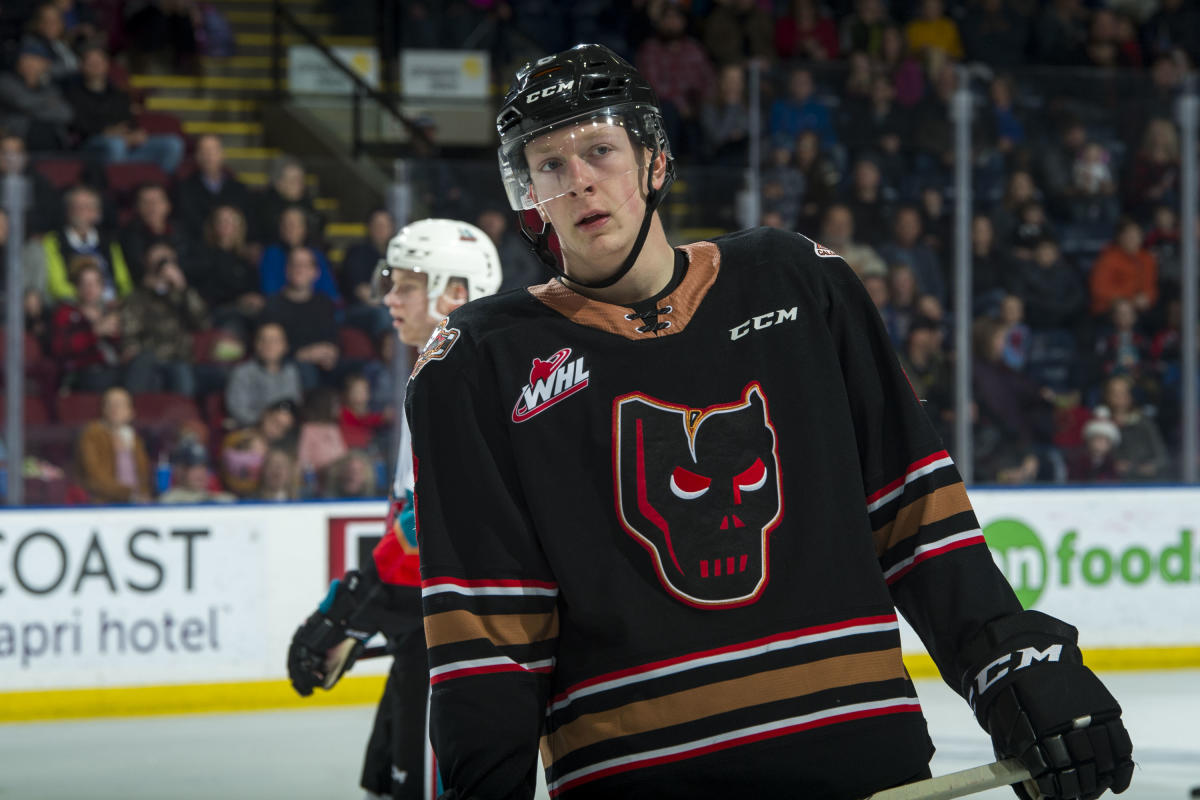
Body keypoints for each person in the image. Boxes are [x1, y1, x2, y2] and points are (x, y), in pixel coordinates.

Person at [405, 44, 1133, 799]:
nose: (580, 178)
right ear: (530, 196)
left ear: (654, 162)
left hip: (860, 762)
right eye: (550, 165)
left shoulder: (797, 281)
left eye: (599, 150)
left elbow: (913, 512)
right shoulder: (478, 365)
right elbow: (488, 634)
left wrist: (1008, 666)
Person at [286, 217, 501, 800]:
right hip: (424, 627)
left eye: (404, 284)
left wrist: (351, 606)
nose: (388, 297)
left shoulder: (467, 377)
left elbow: (433, 522)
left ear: (454, 292)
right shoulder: (434, 369)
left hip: (452, 640)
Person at [74, 386, 152, 504]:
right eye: (110, 404)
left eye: (120, 404)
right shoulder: (92, 435)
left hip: (136, 502)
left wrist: (143, 495)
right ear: (103, 409)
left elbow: (144, 475)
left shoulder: (134, 438)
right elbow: (95, 478)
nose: (114, 408)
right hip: (104, 504)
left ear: (131, 412)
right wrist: (128, 494)